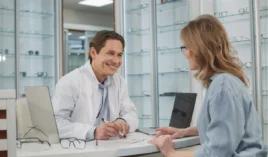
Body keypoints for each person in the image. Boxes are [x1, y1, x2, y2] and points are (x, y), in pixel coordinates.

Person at [150, 14, 267, 157]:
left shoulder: (223, 85)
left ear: (199, 48)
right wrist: (184, 132)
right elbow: (222, 128)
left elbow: (216, 153)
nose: (185, 53)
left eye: (186, 47)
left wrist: (170, 153)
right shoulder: (223, 82)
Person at [52, 30, 138, 141]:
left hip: (112, 147)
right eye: (110, 53)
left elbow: (131, 112)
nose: (116, 60)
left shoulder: (119, 81)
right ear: (93, 53)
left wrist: (123, 121)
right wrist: (92, 132)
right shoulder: (70, 81)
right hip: (80, 150)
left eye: (119, 55)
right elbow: (56, 123)